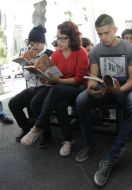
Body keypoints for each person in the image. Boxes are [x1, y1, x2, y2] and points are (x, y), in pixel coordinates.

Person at [75, 14, 132, 187]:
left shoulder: (131, 50)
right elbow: (93, 77)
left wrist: (119, 89)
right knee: (81, 99)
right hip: (104, 88)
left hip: (124, 89)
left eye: (106, 33)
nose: (103, 37)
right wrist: (92, 87)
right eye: (100, 34)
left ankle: (112, 157)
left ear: (115, 30)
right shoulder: (97, 50)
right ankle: (90, 143)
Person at [20, 21, 89, 157]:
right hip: (59, 87)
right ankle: (68, 139)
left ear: (73, 38)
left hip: (77, 88)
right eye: (58, 38)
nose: (59, 41)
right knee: (38, 103)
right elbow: (53, 74)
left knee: (57, 91)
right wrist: (43, 75)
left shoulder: (81, 52)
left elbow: (79, 79)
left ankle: (37, 127)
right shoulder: (56, 54)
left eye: (63, 38)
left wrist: (58, 81)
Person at [9, 25, 53, 145]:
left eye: (38, 43)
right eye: (33, 43)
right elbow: (27, 78)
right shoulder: (29, 54)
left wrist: (41, 72)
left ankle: (47, 134)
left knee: (36, 103)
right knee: (13, 103)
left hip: (47, 88)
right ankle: (27, 129)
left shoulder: (51, 54)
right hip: (33, 87)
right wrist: (27, 67)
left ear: (44, 42)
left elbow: (54, 77)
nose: (36, 46)